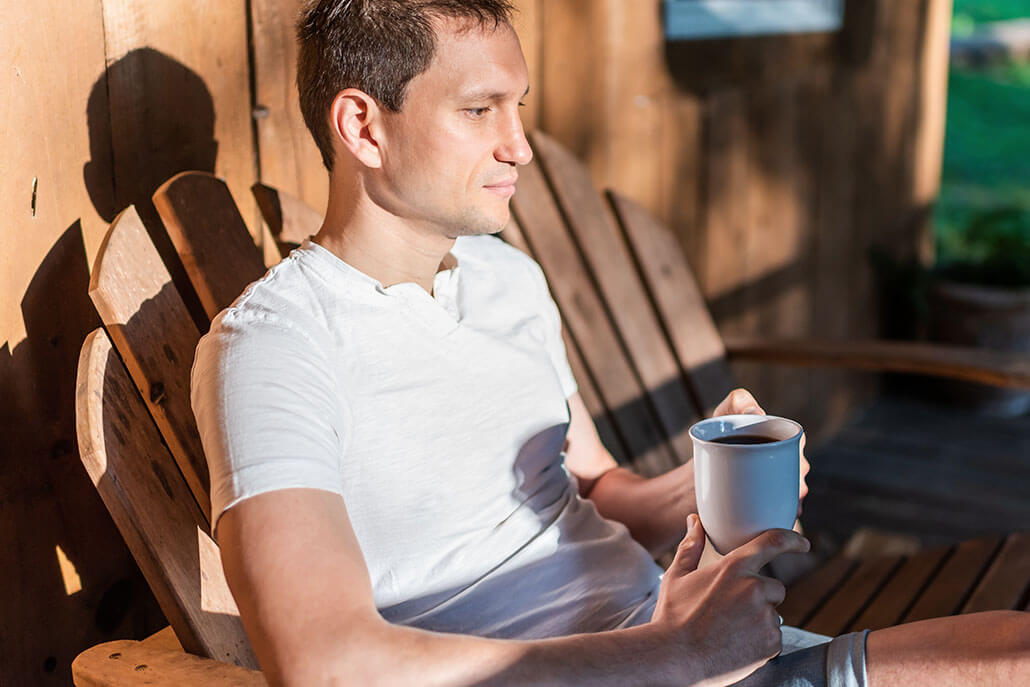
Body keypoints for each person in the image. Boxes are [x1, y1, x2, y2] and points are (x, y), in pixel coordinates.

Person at [190, 1, 1030, 685]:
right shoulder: (274, 347)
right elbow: (327, 662)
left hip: (701, 652)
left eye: (517, 107)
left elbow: (597, 485)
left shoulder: (504, 279)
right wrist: (670, 652)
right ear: (364, 128)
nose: (517, 145)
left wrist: (710, 479)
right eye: (480, 110)